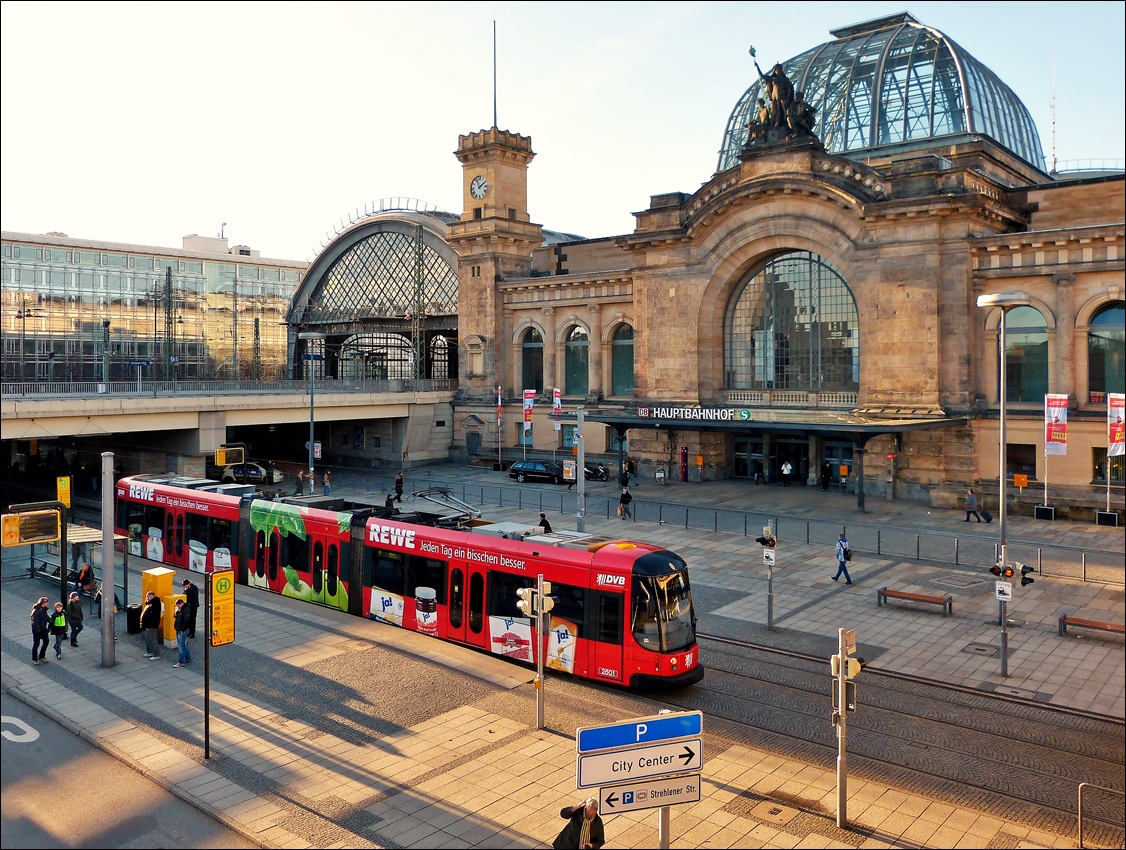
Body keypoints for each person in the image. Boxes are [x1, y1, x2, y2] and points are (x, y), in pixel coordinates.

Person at [140, 591, 163, 660]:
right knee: (147, 639)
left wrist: (148, 625)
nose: (147, 598)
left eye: (148, 597)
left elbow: (152, 617)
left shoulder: (154, 605)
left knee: (152, 639)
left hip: (151, 626)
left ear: (152, 596)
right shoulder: (150, 603)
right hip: (147, 626)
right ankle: (149, 651)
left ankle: (156, 654)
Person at [173, 599, 192, 668]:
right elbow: (180, 617)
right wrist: (176, 615)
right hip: (179, 628)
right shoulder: (182, 609)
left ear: (181, 604)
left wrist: (183, 629)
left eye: (178, 606)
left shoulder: (186, 610)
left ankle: (181, 662)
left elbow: (186, 620)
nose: (178, 607)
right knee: (182, 645)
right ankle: (188, 658)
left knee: (181, 646)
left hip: (182, 630)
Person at [31, 596, 51, 664]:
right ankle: (34, 658)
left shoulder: (43, 609)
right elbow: (35, 622)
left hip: (43, 629)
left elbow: (45, 616)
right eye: (46, 602)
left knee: (46, 642)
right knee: (36, 644)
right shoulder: (36, 611)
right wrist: (38, 631)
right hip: (37, 631)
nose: (47, 604)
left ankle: (42, 656)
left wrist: (50, 620)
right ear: (43, 603)